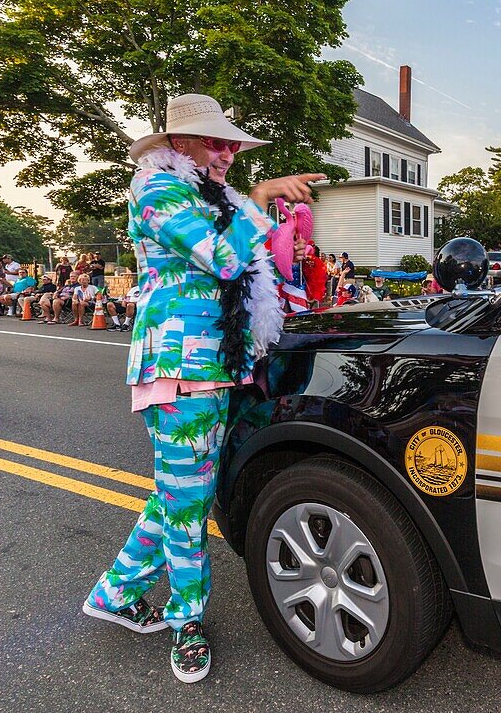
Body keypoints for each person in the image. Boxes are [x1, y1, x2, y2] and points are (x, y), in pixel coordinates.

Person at [81, 92, 323, 684]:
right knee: (187, 508)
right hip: (178, 370)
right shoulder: (158, 189)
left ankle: (113, 593)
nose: (230, 154)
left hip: (214, 369)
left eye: (233, 144)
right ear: (178, 146)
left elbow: (252, 269)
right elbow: (221, 258)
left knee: (177, 496)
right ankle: (187, 620)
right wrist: (261, 198)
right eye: (217, 142)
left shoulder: (210, 197)